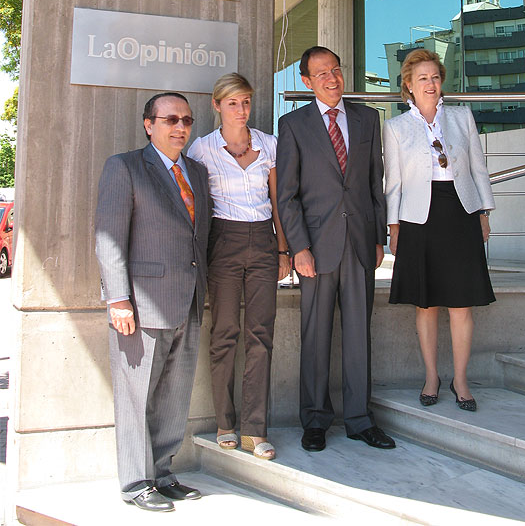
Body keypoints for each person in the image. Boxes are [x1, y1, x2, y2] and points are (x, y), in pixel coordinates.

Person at [95, 92, 211, 512]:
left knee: (174, 394)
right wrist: (118, 299)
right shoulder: (124, 167)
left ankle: (163, 473)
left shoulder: (196, 172)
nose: (180, 127)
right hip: (141, 304)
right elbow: (108, 237)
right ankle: (135, 481)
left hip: (190, 300)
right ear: (149, 124)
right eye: (170, 120)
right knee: (135, 395)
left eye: (187, 120)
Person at [276, 46, 395, 452]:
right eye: (321, 73)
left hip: (361, 243)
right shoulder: (292, 125)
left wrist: (379, 236)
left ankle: (360, 420)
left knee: (359, 334)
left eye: (336, 70)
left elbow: (373, 182)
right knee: (315, 335)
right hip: (316, 247)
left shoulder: (367, 118)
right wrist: (299, 248)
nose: (332, 78)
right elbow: (286, 195)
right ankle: (314, 421)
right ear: (306, 82)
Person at [383, 49, 495, 412]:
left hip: (460, 210)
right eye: (422, 79)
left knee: (461, 304)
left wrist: (484, 212)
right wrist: (394, 225)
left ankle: (460, 380)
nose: (430, 84)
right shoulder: (396, 127)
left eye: (434, 77)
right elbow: (393, 183)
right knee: (426, 302)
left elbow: (479, 167)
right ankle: (431, 376)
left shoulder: (462, 117)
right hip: (418, 218)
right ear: (409, 86)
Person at [188, 73, 290, 460]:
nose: (241, 109)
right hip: (224, 244)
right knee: (225, 333)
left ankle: (255, 429)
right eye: (232, 102)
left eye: (245, 101)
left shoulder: (269, 145)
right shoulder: (202, 150)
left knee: (261, 333)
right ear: (217, 106)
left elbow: (279, 202)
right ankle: (225, 423)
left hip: (264, 242)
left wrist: (283, 249)